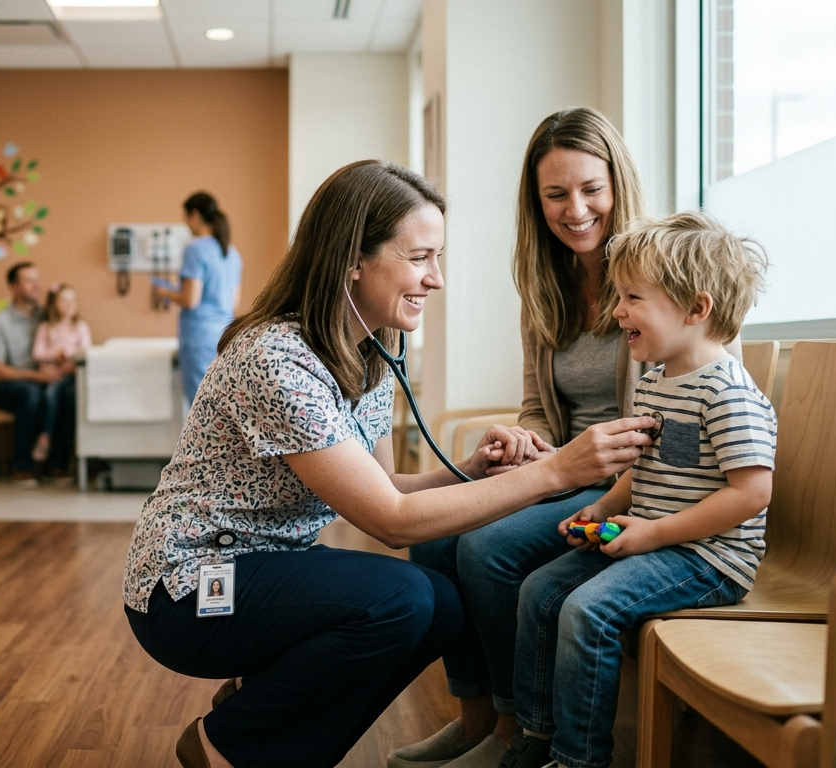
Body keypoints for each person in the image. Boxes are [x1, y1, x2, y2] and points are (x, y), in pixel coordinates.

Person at [122, 160, 656, 768]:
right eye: (420, 258)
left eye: (439, 258)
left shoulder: (372, 347)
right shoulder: (277, 358)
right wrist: (559, 470)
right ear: (353, 259)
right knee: (400, 599)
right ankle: (229, 748)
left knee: (441, 608)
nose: (437, 279)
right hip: (189, 589)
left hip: (266, 567)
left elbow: (386, 485)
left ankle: (257, 717)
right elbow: (391, 520)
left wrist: (471, 469)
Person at [506, 212, 774, 768]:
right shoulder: (657, 379)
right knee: (539, 590)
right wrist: (600, 507)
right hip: (656, 540)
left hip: (709, 558)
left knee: (586, 611)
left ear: (696, 309)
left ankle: (577, 759)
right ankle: (536, 735)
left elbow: (751, 495)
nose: (617, 311)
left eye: (632, 298)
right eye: (617, 296)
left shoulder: (728, 393)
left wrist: (653, 534)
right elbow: (644, 468)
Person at [0, 262, 75, 488]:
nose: (37, 286)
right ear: (14, 287)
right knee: (31, 394)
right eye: (29, 281)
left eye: (38, 279)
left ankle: (57, 465)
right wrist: (36, 377)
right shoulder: (0, 322)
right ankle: (23, 467)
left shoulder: (47, 317)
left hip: (47, 380)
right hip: (10, 385)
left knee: (70, 393)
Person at [154, 192, 243, 406]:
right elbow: (233, 302)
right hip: (225, 335)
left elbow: (191, 300)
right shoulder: (232, 253)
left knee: (200, 403)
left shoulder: (195, 249)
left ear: (195, 215)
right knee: (220, 400)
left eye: (185, 217)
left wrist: (166, 292)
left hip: (199, 337)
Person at [30, 283, 91, 474]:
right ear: (53, 304)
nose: (69, 305)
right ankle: (46, 437)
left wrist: (69, 357)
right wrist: (56, 354)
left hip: (70, 377)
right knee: (52, 392)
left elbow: (86, 352)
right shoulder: (46, 327)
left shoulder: (79, 327)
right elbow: (37, 354)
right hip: (49, 378)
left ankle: (48, 440)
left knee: (65, 395)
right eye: (64, 300)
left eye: (73, 300)